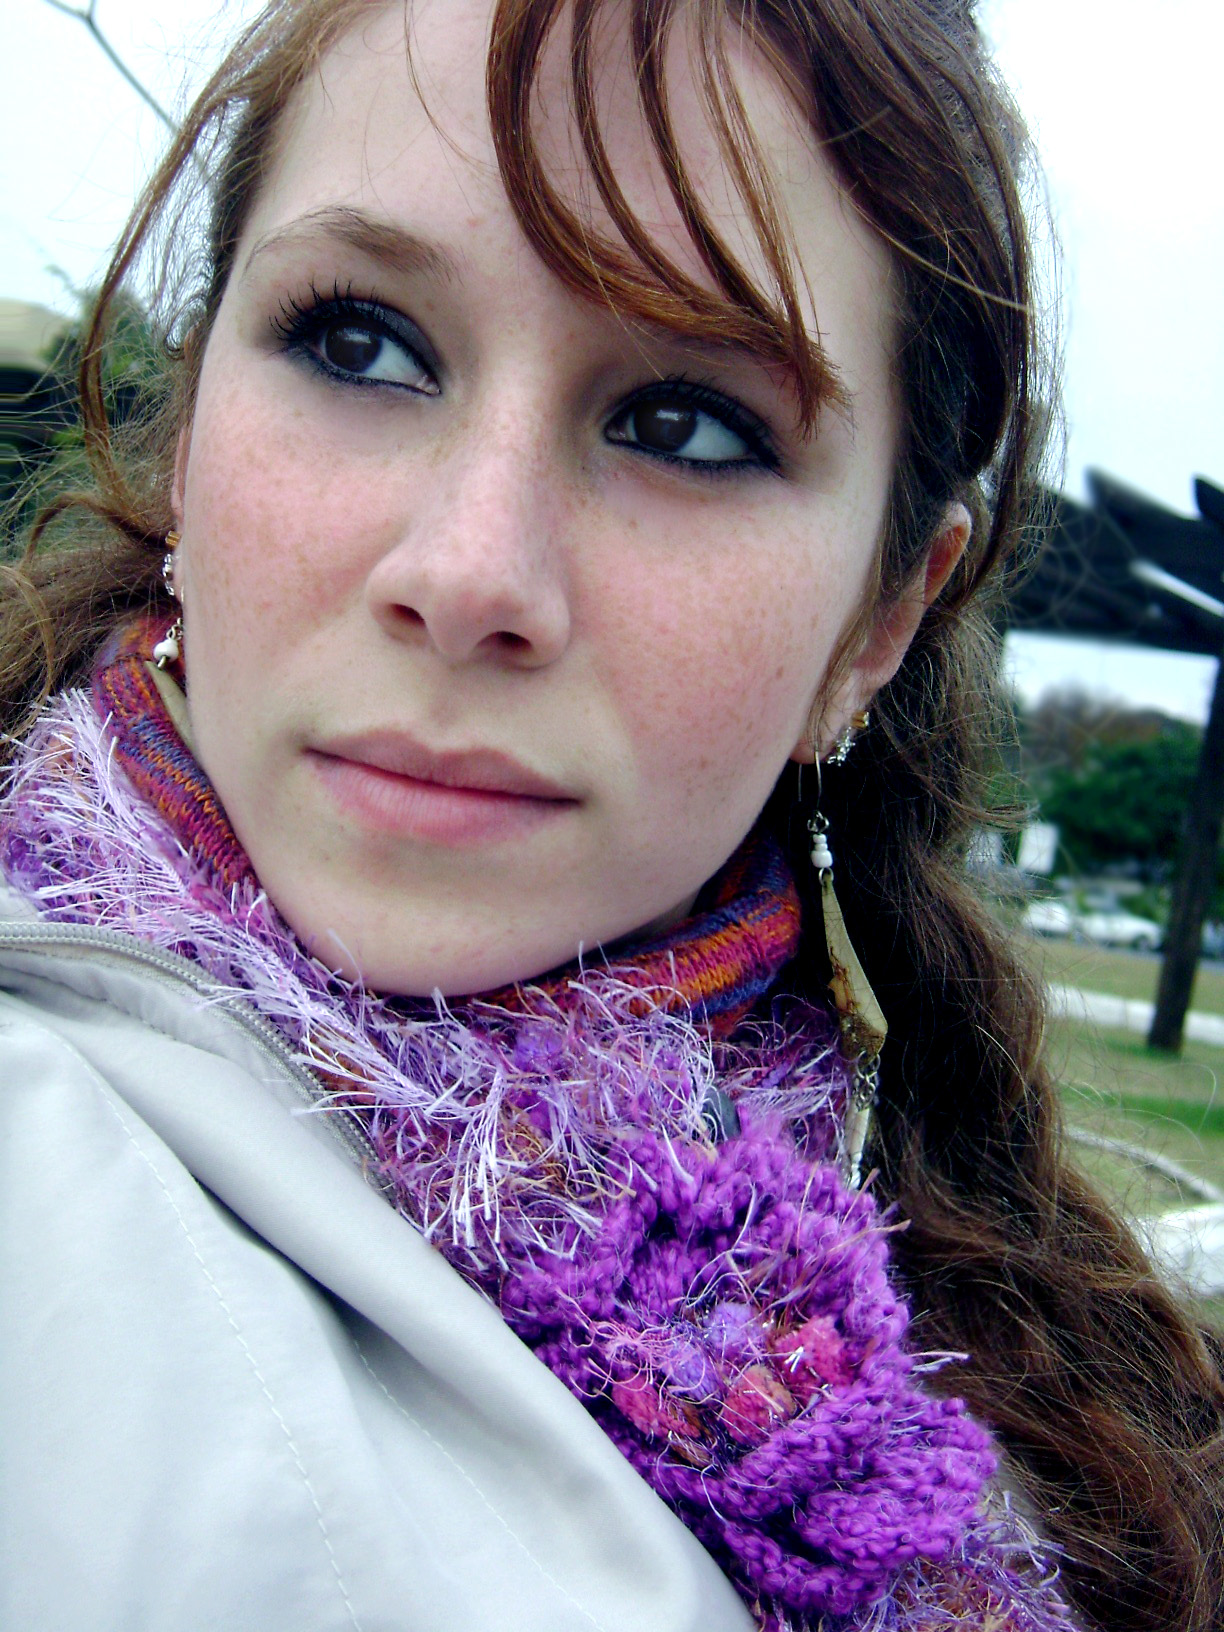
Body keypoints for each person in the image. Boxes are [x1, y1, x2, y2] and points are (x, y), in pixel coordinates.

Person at [1, 0, 1221, 1627]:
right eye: (361, 341)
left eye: (685, 423)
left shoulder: (1010, 1347)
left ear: (876, 626)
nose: (465, 574)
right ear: (198, 402)